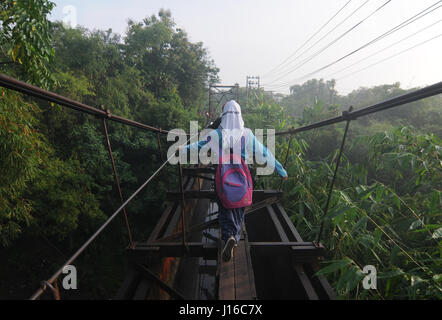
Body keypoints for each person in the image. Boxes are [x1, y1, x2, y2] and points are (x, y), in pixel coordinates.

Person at [183, 100, 288, 262]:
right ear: (239, 115)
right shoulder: (247, 134)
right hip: (243, 177)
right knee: (239, 207)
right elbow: (264, 153)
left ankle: (229, 235)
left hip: (222, 176)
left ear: (224, 116)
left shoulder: (216, 135)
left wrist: (182, 149)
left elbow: (199, 146)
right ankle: (235, 235)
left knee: (225, 207)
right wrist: (281, 170)